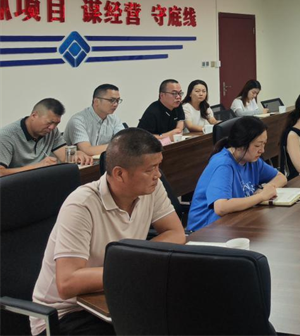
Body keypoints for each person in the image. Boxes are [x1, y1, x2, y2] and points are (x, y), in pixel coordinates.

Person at [30, 128, 185, 336]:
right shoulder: (81, 205)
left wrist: (136, 261)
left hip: (113, 296)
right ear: (120, 173)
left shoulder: (151, 189)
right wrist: (134, 266)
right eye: (150, 169)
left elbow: (176, 233)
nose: (158, 175)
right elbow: (67, 283)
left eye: (158, 166)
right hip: (65, 315)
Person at [187, 117, 287, 231]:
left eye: (264, 144)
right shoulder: (223, 164)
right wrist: (261, 196)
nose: (262, 150)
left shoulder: (252, 160)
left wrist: (267, 188)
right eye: (257, 145)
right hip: (205, 231)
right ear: (240, 145)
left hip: (233, 223)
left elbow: (280, 177)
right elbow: (221, 207)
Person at [0, 99, 92, 176]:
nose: (52, 127)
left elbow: (64, 156)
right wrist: (37, 167)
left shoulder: (52, 131)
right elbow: (1, 172)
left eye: (56, 123)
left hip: (43, 180)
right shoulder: (6, 136)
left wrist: (76, 154)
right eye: (49, 122)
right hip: (17, 186)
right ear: (34, 115)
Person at [63, 84, 125, 156]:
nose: (115, 104)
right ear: (96, 101)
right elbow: (87, 150)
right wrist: (116, 146)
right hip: (79, 162)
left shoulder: (114, 119)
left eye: (117, 100)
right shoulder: (78, 121)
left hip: (103, 161)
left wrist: (121, 145)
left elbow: (124, 142)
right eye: (112, 100)